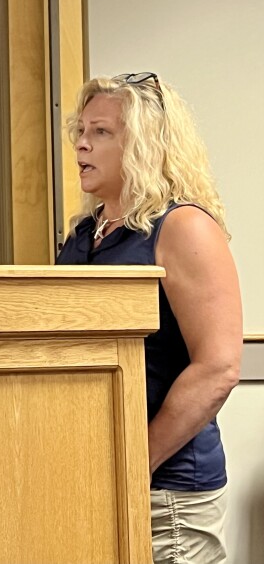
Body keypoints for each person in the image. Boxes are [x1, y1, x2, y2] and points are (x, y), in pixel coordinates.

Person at [56, 73, 242, 563]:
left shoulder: (184, 227)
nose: (81, 143)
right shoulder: (84, 235)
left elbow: (218, 367)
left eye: (101, 132)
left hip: (167, 496)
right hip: (95, 485)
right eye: (80, 129)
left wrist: (135, 460)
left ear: (144, 143)